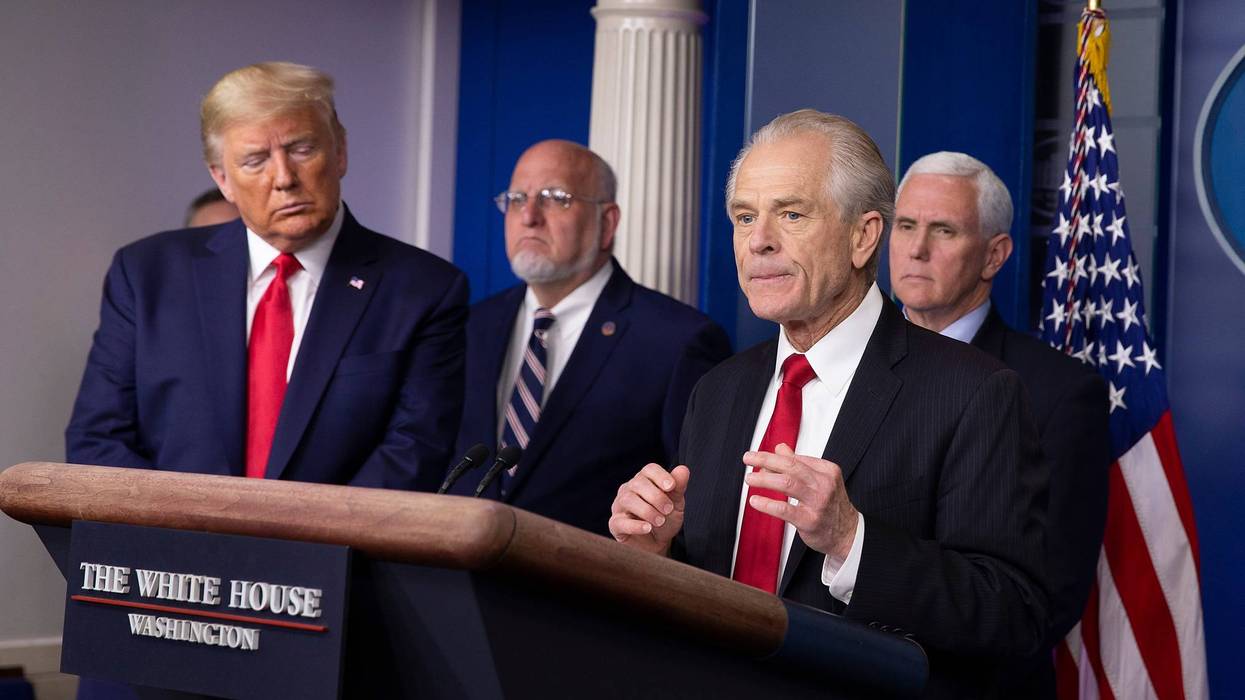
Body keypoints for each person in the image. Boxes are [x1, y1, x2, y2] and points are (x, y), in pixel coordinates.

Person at [609, 110, 1050, 697]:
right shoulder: (718, 390)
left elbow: (1012, 613)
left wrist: (850, 539)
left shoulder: (973, 392)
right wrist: (654, 551)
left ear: (863, 236)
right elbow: (707, 587)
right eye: (745, 216)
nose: (759, 239)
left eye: (791, 214)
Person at [66, 62, 467, 491]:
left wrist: (289, 553)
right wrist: (194, 546)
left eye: (301, 149)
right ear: (222, 179)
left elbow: (412, 455)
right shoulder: (146, 276)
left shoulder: (424, 289)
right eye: (255, 161)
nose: (284, 179)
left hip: (336, 555)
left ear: (341, 151)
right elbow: (98, 441)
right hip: (171, 552)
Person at [890, 151, 1110, 695]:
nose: (917, 249)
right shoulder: (834, 365)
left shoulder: (1059, 393)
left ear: (994, 255)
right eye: (905, 225)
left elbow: (1045, 599)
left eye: (943, 230)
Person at [450, 140, 731, 536]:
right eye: (516, 199)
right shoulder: (473, 326)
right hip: (459, 585)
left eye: (555, 198)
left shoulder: (677, 341)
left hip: (591, 590)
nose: (528, 216)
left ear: (608, 222)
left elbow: (695, 508)